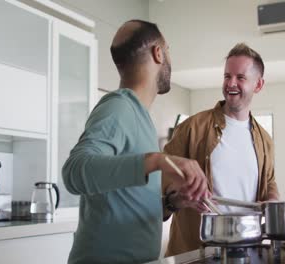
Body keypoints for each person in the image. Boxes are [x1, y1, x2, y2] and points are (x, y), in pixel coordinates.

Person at [62, 19, 208, 264]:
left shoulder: (140, 117)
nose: (169, 57)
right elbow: (74, 172)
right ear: (158, 53)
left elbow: (125, 203)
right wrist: (157, 160)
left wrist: (172, 203)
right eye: (168, 50)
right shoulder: (118, 108)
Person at [162, 43, 280, 256]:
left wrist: (271, 199)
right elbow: (162, 176)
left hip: (247, 251)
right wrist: (182, 194)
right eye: (227, 76)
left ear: (258, 85)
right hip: (195, 254)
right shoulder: (192, 128)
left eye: (240, 77)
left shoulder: (265, 140)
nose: (231, 83)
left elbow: (269, 181)